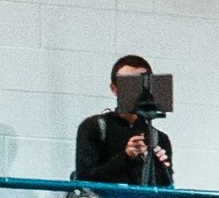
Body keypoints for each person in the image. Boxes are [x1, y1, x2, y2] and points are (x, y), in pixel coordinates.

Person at [72, 52, 174, 188]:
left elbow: (165, 189)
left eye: (142, 84)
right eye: (129, 84)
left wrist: (161, 168)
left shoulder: (159, 138)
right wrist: (126, 157)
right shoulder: (94, 127)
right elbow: (85, 179)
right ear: (114, 89)